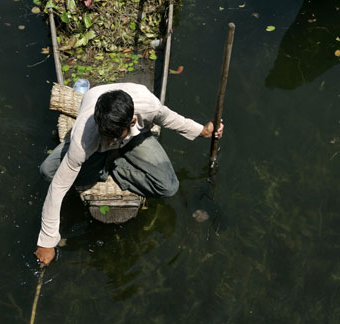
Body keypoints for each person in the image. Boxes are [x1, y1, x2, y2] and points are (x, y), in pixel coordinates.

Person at [35, 83, 224, 266]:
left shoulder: (149, 106)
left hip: (133, 138)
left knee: (169, 187)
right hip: (94, 146)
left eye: (114, 138)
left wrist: (202, 131)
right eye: (106, 137)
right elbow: (58, 188)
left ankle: (113, 163)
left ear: (132, 121)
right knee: (47, 172)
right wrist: (47, 240)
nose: (110, 142)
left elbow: (171, 119)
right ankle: (107, 160)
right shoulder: (85, 137)